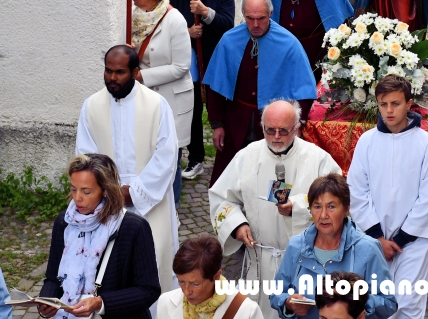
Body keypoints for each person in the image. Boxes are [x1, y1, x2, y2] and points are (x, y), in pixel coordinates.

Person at [208, 100, 341, 319]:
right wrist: (237, 226)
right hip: (260, 261)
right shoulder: (247, 156)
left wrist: (297, 208)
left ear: (297, 128)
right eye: (270, 130)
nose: (276, 136)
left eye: (283, 131)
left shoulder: (318, 159)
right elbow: (222, 199)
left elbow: (338, 203)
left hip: (305, 264)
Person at [76, 46, 179, 294]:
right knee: (108, 268)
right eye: (108, 71)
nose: (112, 78)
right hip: (106, 202)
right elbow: (86, 155)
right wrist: (107, 191)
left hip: (150, 199)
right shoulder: (91, 106)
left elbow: (166, 154)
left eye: (120, 72)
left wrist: (135, 192)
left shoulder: (157, 104)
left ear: (135, 72)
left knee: (153, 262)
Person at [347, 75, 428, 319]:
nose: (389, 111)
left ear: (409, 103)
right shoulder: (367, 142)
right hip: (374, 239)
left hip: (414, 239)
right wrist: (377, 236)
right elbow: (357, 191)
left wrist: (400, 239)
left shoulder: (426, 145)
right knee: (376, 300)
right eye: (383, 104)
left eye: (395, 103)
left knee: (407, 302)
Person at [202, 0, 318, 185]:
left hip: (276, 125)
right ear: (243, 15)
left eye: (261, 19)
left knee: (273, 176)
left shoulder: (289, 44)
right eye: (250, 18)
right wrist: (217, 124)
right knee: (232, 177)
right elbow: (216, 86)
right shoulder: (229, 40)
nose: (255, 25)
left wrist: (297, 125)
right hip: (236, 120)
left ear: (270, 14)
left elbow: (303, 89)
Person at [38, 154, 161, 319]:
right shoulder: (64, 222)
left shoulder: (133, 227)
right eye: (73, 189)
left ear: (105, 190)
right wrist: (46, 300)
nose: (77, 198)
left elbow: (148, 289)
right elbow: (53, 278)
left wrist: (101, 303)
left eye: (86, 191)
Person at [270, 174, 398, 319]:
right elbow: (276, 293)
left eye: (331, 207)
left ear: (346, 209)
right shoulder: (296, 245)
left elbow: (388, 303)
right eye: (317, 207)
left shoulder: (368, 249)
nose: (323, 215)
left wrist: (354, 302)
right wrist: (288, 302)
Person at [171, 0, 236, 181]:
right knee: (193, 107)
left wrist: (206, 13)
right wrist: (187, 32)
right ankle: (196, 157)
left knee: (221, 106)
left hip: (216, 57)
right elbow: (171, 23)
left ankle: (229, 154)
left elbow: (228, 23)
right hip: (190, 59)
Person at [131, 0, 193, 206]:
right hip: (144, 100)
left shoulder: (174, 20)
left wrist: (142, 76)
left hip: (171, 100)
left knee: (170, 159)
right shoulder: (136, 18)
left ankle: (172, 208)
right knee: (146, 156)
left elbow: (181, 66)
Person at [157, 236, 263, 319]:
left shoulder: (247, 311)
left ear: (216, 276)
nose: (186, 291)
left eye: (195, 284)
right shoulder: (165, 302)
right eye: (181, 282)